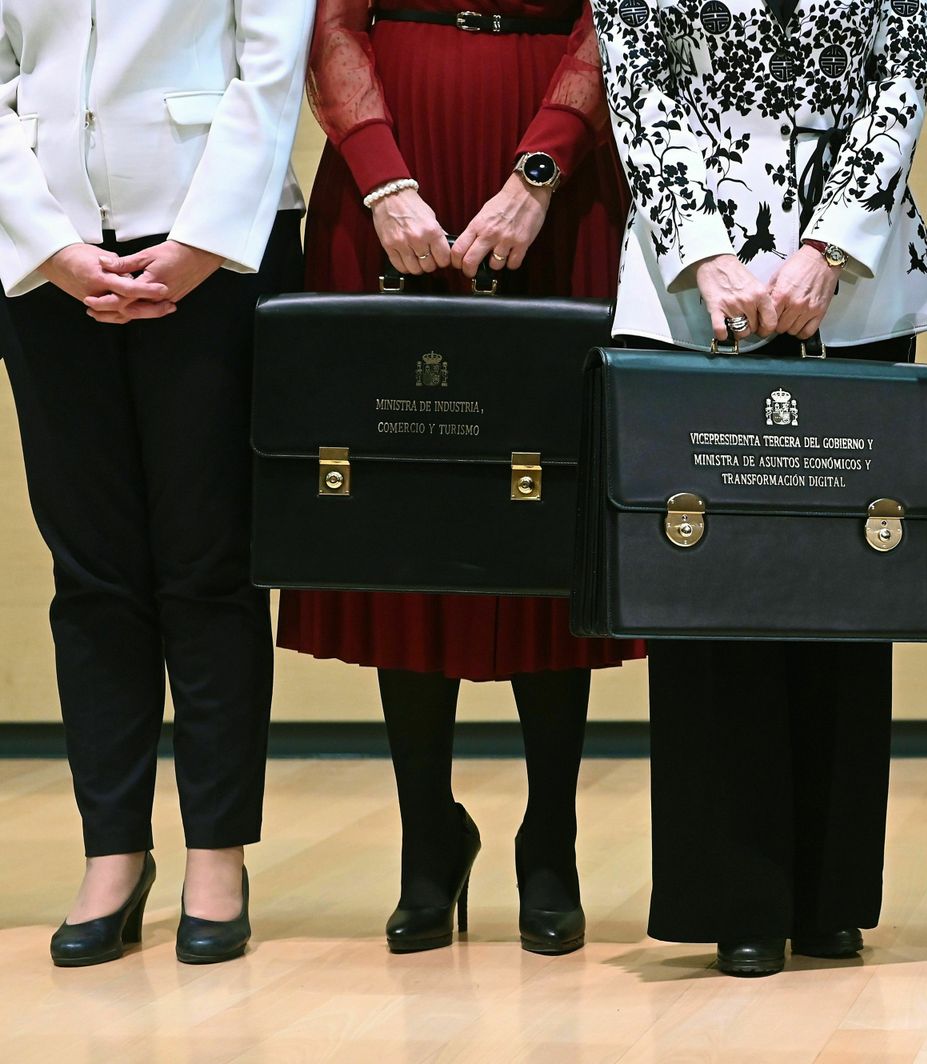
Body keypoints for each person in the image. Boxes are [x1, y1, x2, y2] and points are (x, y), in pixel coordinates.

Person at [592, 0, 927, 976]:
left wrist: (826, 249)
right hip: (690, 287)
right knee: (710, 591)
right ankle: (735, 894)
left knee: (848, 588)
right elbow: (641, 86)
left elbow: (897, 78)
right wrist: (708, 253)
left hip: (856, 284)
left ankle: (831, 894)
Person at [276, 0, 644, 956]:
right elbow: (333, 20)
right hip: (394, 167)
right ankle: (426, 838)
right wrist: (379, 176)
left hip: (557, 174)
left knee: (550, 505)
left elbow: (614, 15)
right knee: (404, 503)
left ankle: (550, 840)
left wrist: (541, 169)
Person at [0, 0, 313, 966]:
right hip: (46, 257)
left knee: (209, 564)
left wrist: (200, 243)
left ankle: (217, 853)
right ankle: (113, 852)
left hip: (215, 245)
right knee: (90, 571)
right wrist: (45, 244)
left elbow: (271, 72)